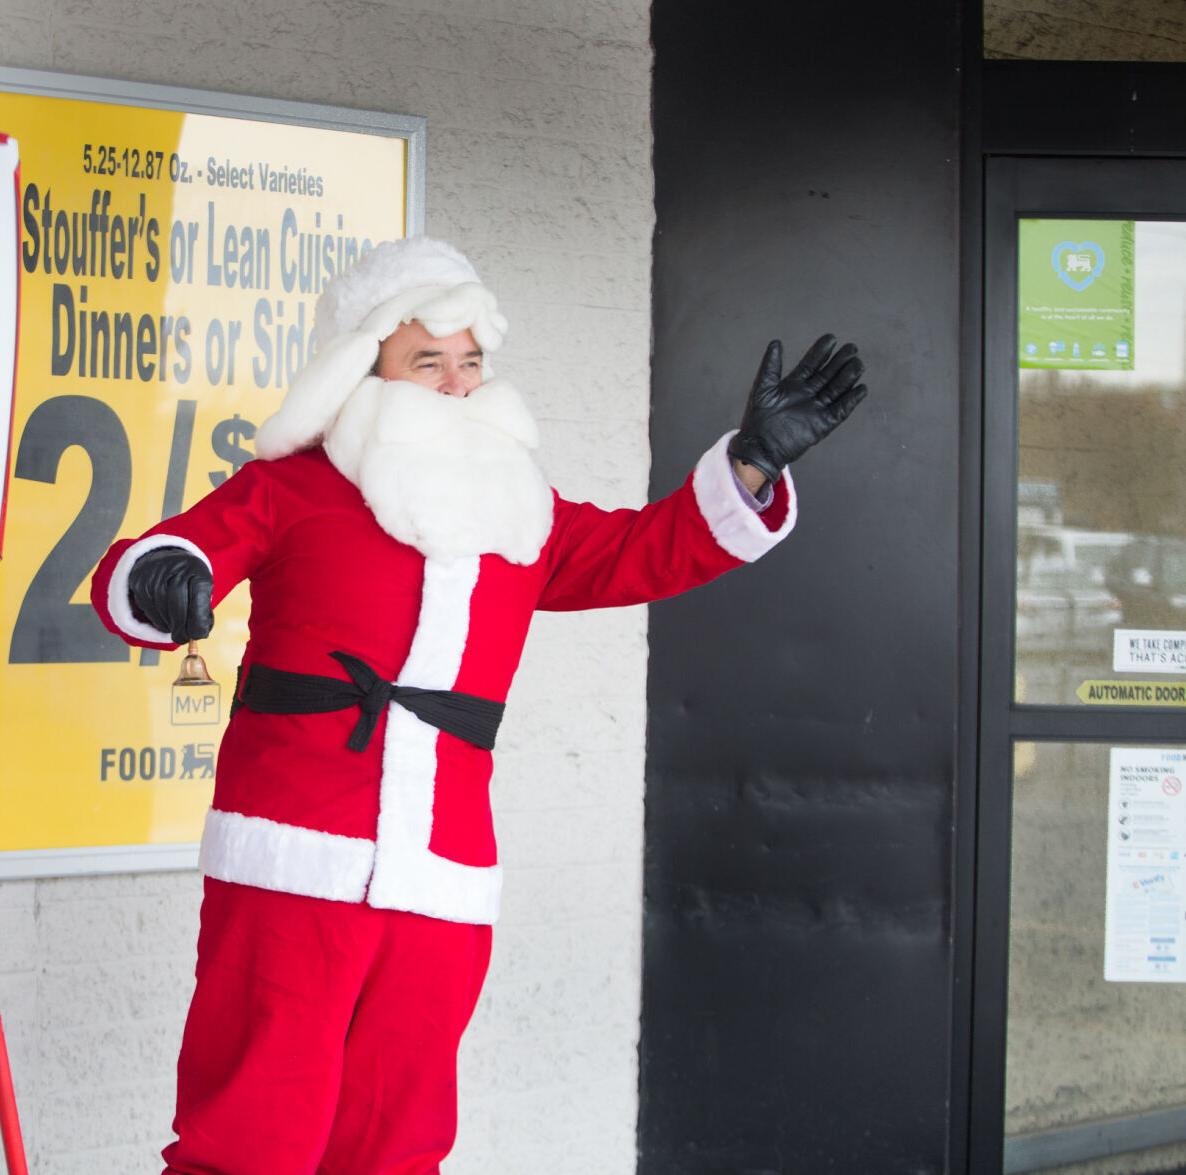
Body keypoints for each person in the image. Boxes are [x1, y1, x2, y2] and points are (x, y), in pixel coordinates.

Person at [89, 236, 866, 1174]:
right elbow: (174, 559)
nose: (458, 385)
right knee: (250, 1130)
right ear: (363, 368)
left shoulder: (520, 512)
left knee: (399, 1136)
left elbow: (645, 551)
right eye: (429, 362)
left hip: (442, 872)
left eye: (470, 362)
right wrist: (165, 577)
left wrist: (747, 465)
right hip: (292, 857)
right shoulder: (294, 487)